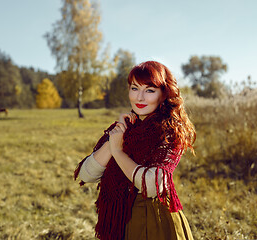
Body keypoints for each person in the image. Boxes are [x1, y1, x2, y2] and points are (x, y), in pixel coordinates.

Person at [74, 61, 196, 240]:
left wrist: (118, 151)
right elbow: (86, 175)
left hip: (154, 220)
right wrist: (116, 137)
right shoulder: (125, 128)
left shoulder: (170, 131)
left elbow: (153, 186)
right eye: (134, 88)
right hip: (120, 219)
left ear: (164, 93)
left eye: (149, 90)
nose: (139, 98)